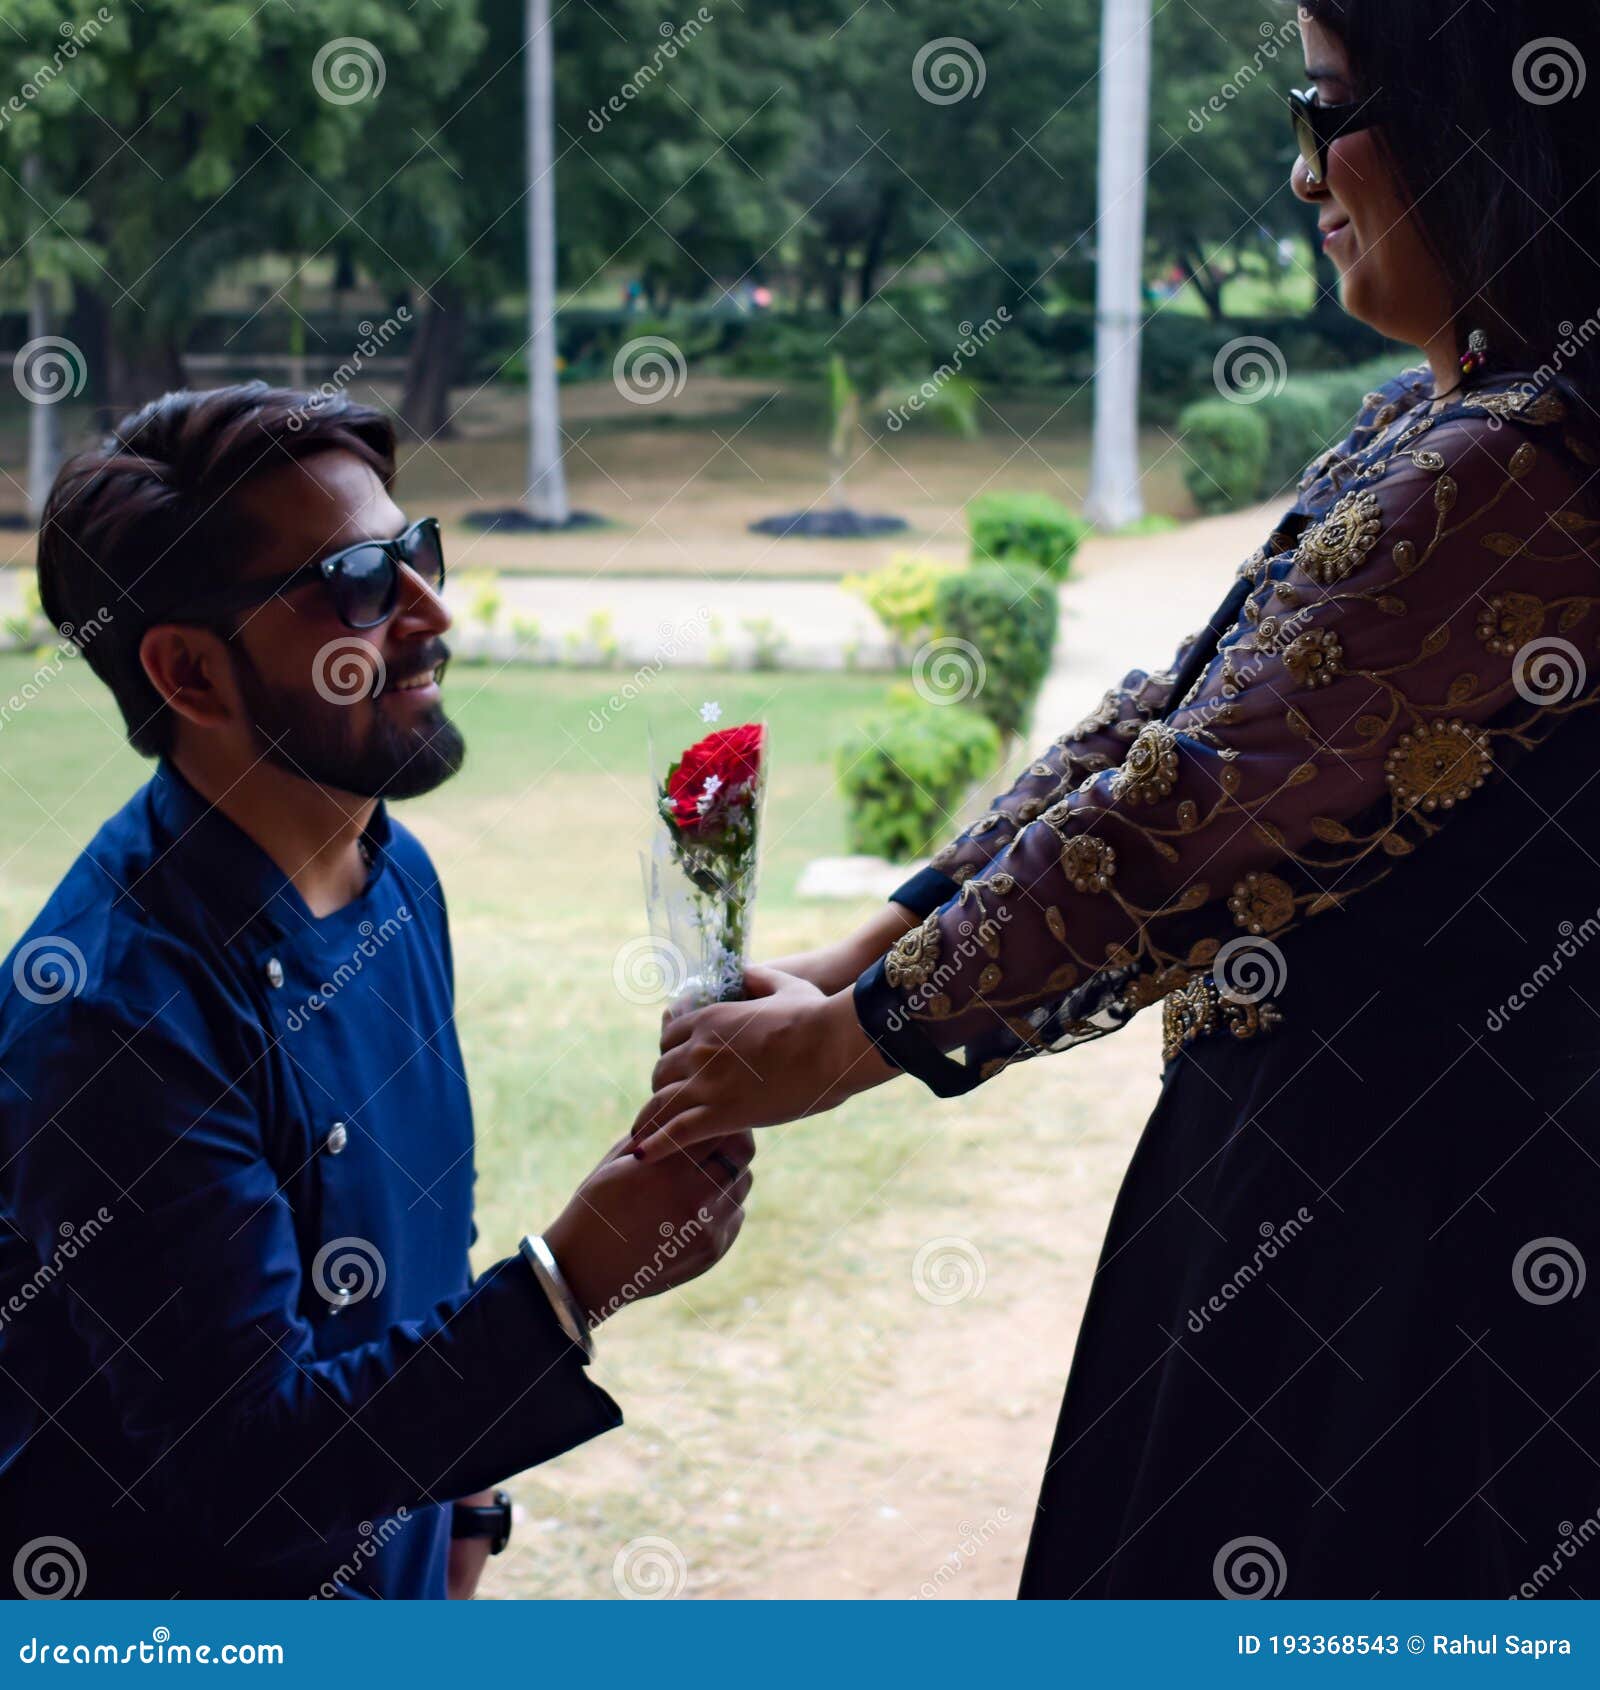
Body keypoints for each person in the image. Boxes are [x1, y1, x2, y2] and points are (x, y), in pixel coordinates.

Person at [631, 1, 1600, 1598]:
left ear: (1484, 127)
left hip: (1406, 1241)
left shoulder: (1520, 464)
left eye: (1328, 109)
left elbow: (1184, 814)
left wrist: (846, 1040)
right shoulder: (1442, 417)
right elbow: (1165, 719)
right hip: (1323, 1180)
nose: (1304, 174)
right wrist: (848, 960)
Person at [0, 384, 754, 1599]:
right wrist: (569, 1284)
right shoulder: (109, 1014)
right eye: (356, 581)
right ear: (190, 672)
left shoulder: (396, 876)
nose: (431, 610)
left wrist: (469, 1524)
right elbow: (238, 1462)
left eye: (414, 553)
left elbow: (419, 1255)